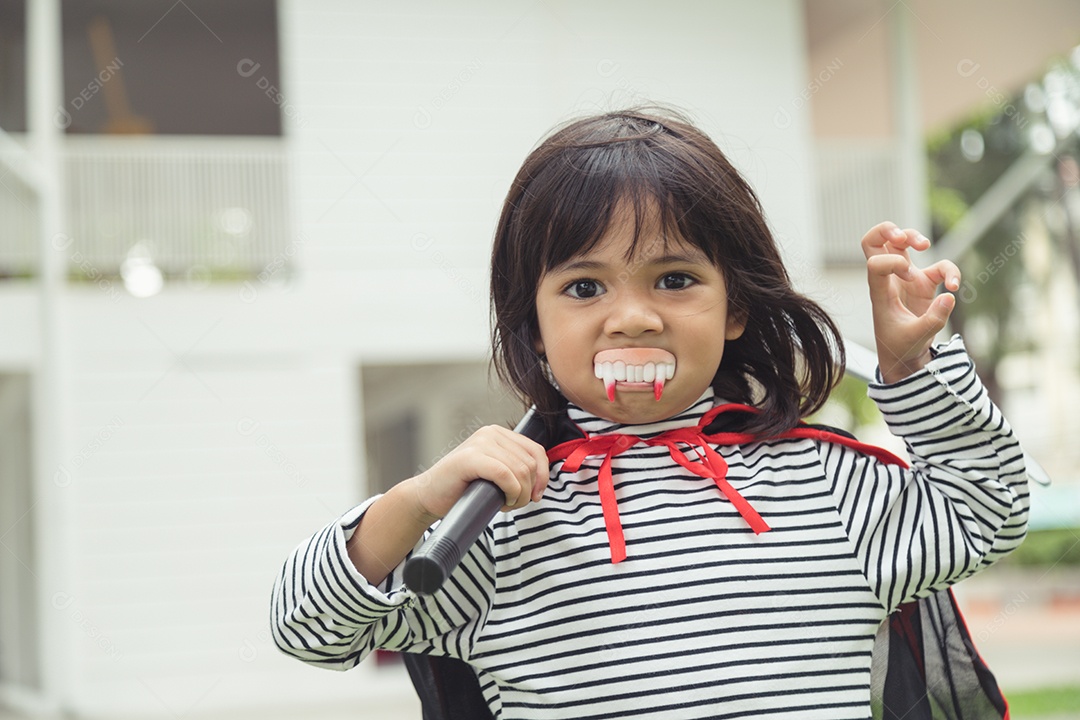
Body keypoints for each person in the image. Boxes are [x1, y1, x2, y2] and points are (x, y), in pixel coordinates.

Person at [271, 107, 1028, 719]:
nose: (633, 317)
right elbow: (308, 628)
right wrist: (416, 501)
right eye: (584, 288)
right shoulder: (496, 530)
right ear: (533, 326)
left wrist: (912, 370)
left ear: (735, 306)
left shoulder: (828, 486)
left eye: (674, 279)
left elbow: (988, 507)